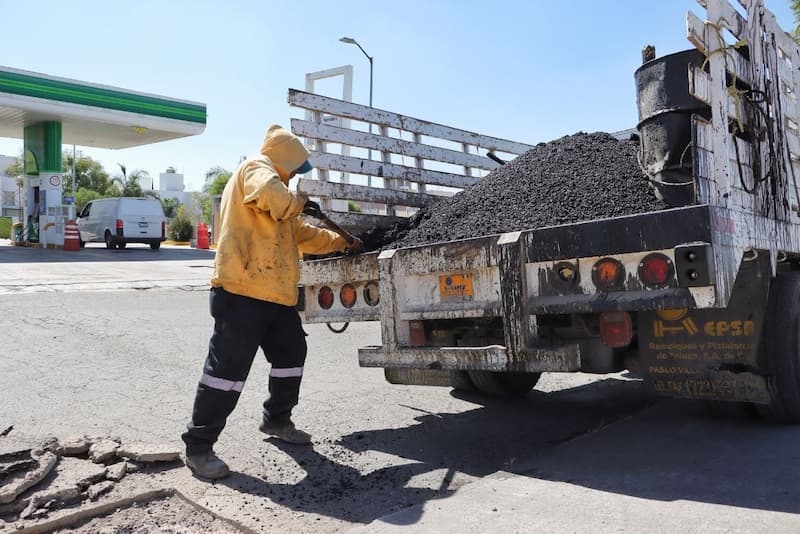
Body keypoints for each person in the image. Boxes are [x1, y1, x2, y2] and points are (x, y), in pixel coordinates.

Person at [182, 124, 363, 480]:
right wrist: (297, 203)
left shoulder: (282, 199)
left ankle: (277, 420)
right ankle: (198, 447)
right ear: (284, 159)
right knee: (226, 374)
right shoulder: (257, 169)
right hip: (242, 291)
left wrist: (341, 243)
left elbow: (303, 234)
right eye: (295, 167)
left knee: (291, 356)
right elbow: (275, 197)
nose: (296, 174)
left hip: (276, 297)